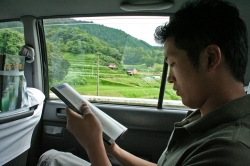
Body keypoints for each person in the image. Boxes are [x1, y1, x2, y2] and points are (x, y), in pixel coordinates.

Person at [37, 0, 250, 165]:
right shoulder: (206, 115)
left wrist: (93, 145)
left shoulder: (229, 151)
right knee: (54, 157)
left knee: (50, 160)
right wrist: (112, 150)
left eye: (173, 63)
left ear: (211, 58)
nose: (169, 78)